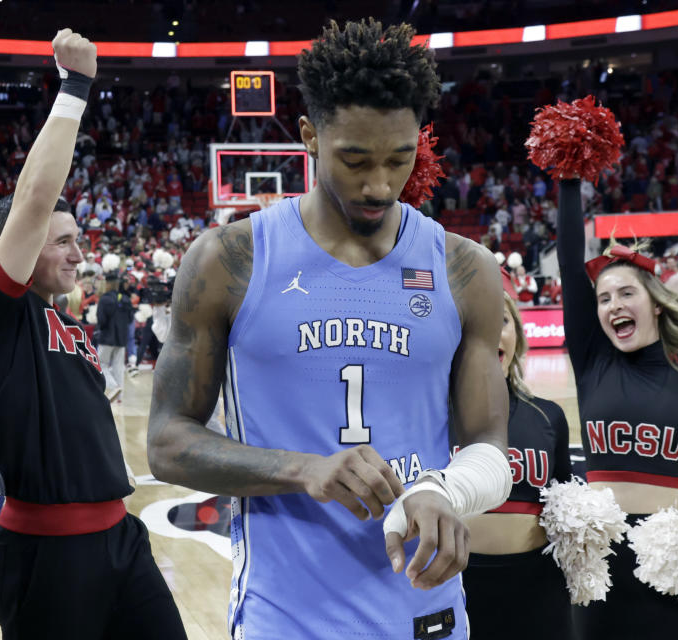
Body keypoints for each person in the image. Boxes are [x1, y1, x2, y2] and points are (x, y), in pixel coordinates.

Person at [147, 19, 512, 640]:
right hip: (284, 617)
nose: (379, 184)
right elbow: (166, 442)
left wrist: (442, 489)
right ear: (310, 137)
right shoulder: (228, 260)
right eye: (354, 159)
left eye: (400, 159)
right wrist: (302, 468)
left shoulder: (463, 267)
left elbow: (490, 449)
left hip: (428, 614)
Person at [0, 30, 186, 640]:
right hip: (46, 555)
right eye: (63, 241)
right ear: (18, 249)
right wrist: (76, 88)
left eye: (80, 239)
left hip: (121, 538)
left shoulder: (66, 320)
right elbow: (32, 200)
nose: (79, 254)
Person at [556, 177, 678, 639]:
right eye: (603, 298)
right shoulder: (592, 359)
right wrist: (568, 179)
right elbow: (568, 263)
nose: (613, 305)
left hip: (675, 556)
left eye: (626, 294)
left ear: (655, 303)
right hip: (600, 558)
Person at [459, 292, 572, 639]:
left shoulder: (548, 415)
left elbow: (564, 504)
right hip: (457, 585)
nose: (491, 333)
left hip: (537, 587)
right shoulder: (432, 417)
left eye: (502, 321)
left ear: (519, 337)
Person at [96, 272, 133, 401]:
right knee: (118, 367)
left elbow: (101, 320)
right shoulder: (126, 299)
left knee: (100, 364)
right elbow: (130, 319)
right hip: (121, 338)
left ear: (107, 284)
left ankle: (114, 387)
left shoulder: (104, 299)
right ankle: (120, 397)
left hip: (107, 337)